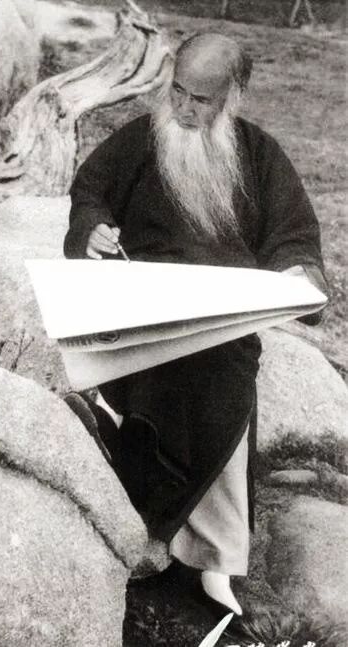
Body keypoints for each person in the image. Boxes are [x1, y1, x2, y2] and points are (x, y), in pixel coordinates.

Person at [63, 33, 327, 618]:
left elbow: (293, 236)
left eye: (201, 100)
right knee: (159, 379)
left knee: (223, 380)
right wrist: (92, 230)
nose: (183, 108)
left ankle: (214, 557)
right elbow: (90, 192)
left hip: (221, 323)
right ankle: (150, 530)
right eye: (177, 91)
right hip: (142, 312)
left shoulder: (259, 155)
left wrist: (295, 269)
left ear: (233, 96)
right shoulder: (139, 140)